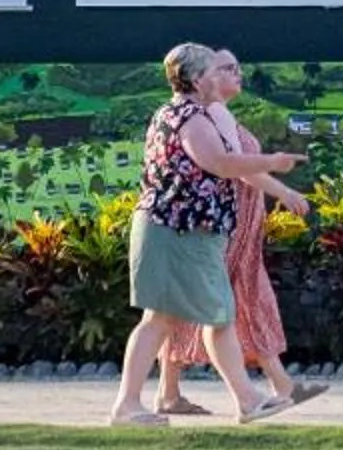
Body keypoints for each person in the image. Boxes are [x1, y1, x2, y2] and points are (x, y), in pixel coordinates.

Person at [110, 41, 306, 427]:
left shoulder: (179, 112)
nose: (223, 76)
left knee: (204, 316)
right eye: (215, 71)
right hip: (179, 233)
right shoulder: (192, 118)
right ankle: (130, 406)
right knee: (191, 317)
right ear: (198, 79)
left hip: (181, 231)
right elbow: (218, 163)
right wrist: (274, 163)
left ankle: (244, 401)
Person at [154, 50, 323, 416]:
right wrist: (285, 189)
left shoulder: (219, 113)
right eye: (226, 68)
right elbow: (233, 166)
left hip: (238, 223)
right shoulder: (207, 113)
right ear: (203, 77)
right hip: (226, 224)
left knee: (228, 302)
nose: (236, 75)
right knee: (220, 304)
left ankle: (275, 385)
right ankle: (267, 389)